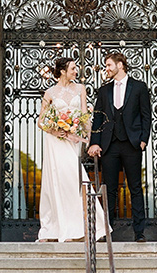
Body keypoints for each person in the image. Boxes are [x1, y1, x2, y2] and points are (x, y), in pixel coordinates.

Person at [36, 56, 108, 242]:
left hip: (72, 142)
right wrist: (55, 130)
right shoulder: (50, 93)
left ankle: (83, 227)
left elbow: (84, 115)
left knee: (74, 182)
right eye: (73, 68)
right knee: (58, 182)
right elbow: (41, 121)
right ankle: (57, 228)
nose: (76, 72)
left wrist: (92, 140)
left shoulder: (80, 89)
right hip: (55, 141)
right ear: (62, 71)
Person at [88, 52, 151, 242]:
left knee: (135, 188)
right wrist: (95, 142)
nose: (106, 68)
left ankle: (139, 232)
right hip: (109, 145)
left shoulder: (139, 87)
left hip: (132, 144)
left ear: (120, 65)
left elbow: (146, 115)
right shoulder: (104, 90)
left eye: (108, 65)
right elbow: (98, 117)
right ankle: (107, 231)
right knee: (110, 189)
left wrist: (143, 139)